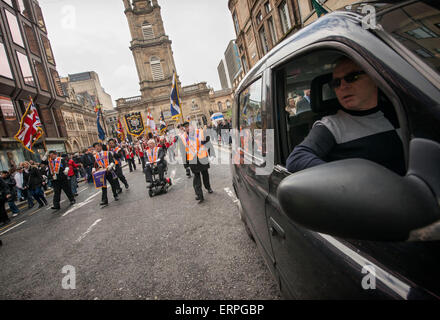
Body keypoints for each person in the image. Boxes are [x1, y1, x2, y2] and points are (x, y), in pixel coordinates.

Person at [286, 56, 405, 176]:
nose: (343, 87)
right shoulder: (331, 126)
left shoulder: (401, 112)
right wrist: (347, 181)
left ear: (375, 79)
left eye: (352, 77)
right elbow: (297, 159)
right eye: (336, 83)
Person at [176, 122, 214, 203]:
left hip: (202, 157)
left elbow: (207, 141)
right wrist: (185, 164)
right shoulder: (182, 137)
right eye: (185, 127)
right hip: (192, 159)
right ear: (184, 129)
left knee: (205, 174)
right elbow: (183, 151)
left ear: (192, 126)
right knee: (196, 177)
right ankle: (200, 195)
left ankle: (208, 187)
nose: (188, 128)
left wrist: (211, 152)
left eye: (188, 126)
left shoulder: (199, 132)